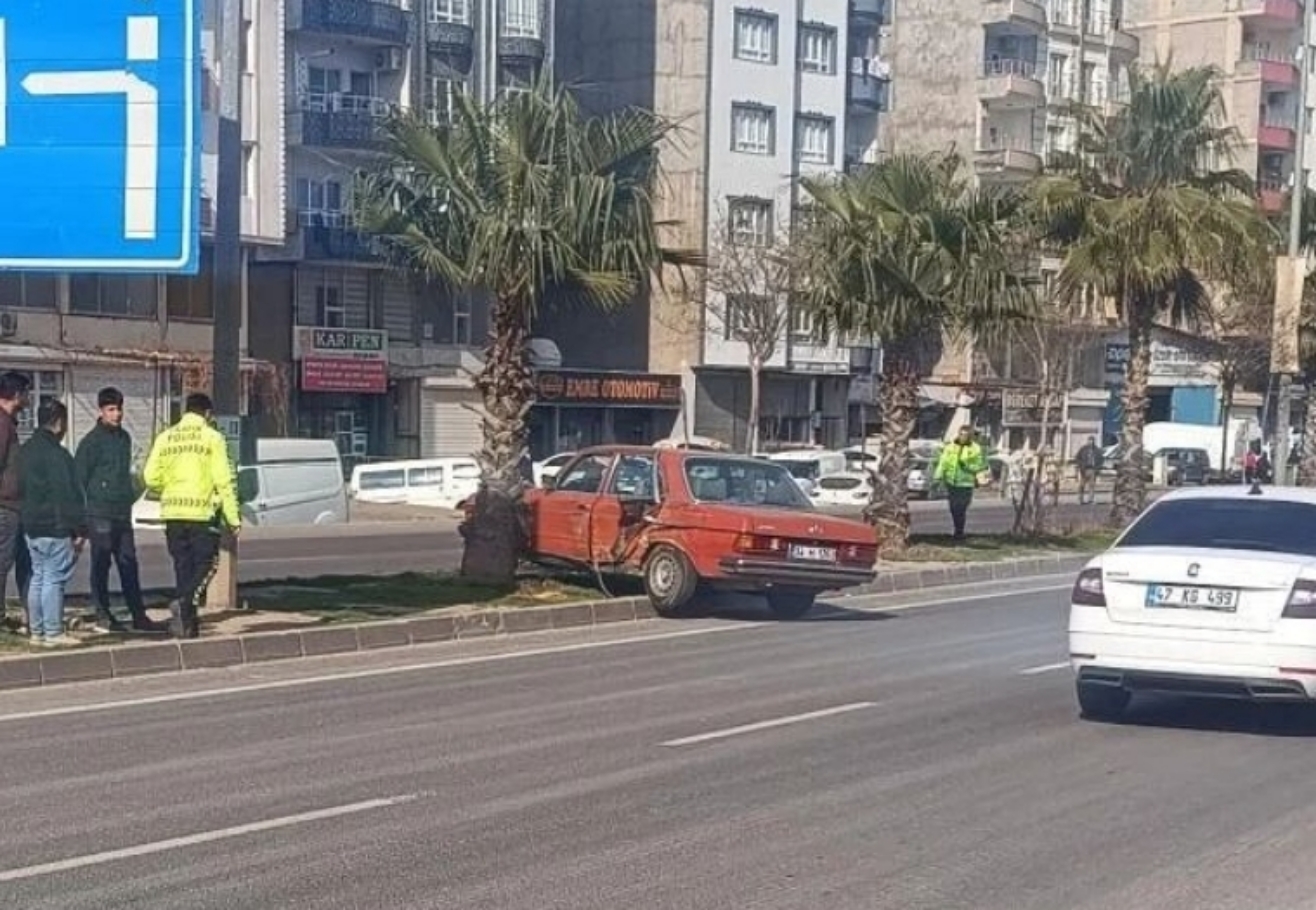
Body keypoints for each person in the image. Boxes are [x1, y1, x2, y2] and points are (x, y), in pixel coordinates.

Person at [143, 393, 240, 639]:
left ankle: (186, 626)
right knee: (208, 565)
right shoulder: (212, 438)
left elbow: (150, 477)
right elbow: (224, 480)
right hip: (201, 514)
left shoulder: (166, 437)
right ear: (207, 414)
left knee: (183, 569)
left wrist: (171, 483)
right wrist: (233, 517)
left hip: (173, 514)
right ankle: (183, 603)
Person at [75, 387, 167, 634]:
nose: (116, 415)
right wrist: (82, 518)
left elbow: (126, 474)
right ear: (101, 411)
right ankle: (103, 614)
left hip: (121, 512)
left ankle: (138, 614)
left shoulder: (124, 438)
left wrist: (131, 495)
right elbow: (79, 480)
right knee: (101, 563)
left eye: (119, 409)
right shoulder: (91, 442)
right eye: (111, 410)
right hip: (100, 512)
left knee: (128, 563)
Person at [18, 400, 85, 647]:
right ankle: (54, 631)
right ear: (59, 423)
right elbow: (66, 493)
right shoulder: (58, 455)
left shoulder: (25, 451)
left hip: (30, 523)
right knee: (54, 578)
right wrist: (78, 528)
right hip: (55, 524)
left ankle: (36, 631)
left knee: (38, 576)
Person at [0, 372, 25, 628]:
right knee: (2, 561)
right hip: (5, 505)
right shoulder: (3, 423)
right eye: (26, 393)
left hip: (11, 504)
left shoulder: (8, 422)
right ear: (17, 395)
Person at [934, 426, 988, 542]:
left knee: (962, 508)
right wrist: (937, 476)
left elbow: (978, 465)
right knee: (953, 508)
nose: (963, 436)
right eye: (961, 434)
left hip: (966, 483)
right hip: (952, 482)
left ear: (970, 436)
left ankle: (959, 531)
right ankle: (957, 530)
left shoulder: (975, 448)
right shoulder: (950, 446)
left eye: (966, 435)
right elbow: (943, 462)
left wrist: (966, 465)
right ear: (958, 434)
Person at [1075, 436, 1103, 505]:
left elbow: (1101, 459)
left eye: (1092, 441)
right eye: (1090, 440)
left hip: (1093, 469)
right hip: (1084, 469)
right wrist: (1080, 466)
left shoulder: (1096, 450)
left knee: (1092, 485)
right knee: (1081, 485)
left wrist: (1098, 468)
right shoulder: (1083, 449)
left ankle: (1091, 500)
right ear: (1087, 441)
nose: (1091, 442)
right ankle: (1080, 500)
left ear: (1094, 442)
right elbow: (1077, 457)